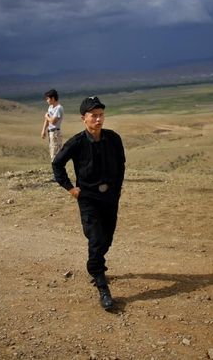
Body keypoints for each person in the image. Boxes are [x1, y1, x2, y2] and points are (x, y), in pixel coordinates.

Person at [52, 96, 126, 311]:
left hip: (110, 197)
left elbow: (121, 164)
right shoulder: (76, 142)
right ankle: (102, 284)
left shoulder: (113, 138)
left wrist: (118, 189)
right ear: (84, 118)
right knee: (95, 238)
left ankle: (96, 266)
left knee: (107, 239)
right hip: (88, 199)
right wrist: (70, 188)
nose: (98, 119)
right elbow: (57, 164)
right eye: (94, 115)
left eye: (101, 115)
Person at [41, 89, 64, 163]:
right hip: (50, 132)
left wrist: (46, 116)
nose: (47, 101)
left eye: (48, 99)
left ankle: (57, 172)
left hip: (55, 132)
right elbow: (47, 120)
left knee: (56, 153)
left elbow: (53, 121)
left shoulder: (59, 108)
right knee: (52, 152)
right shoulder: (50, 107)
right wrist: (43, 130)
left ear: (53, 98)